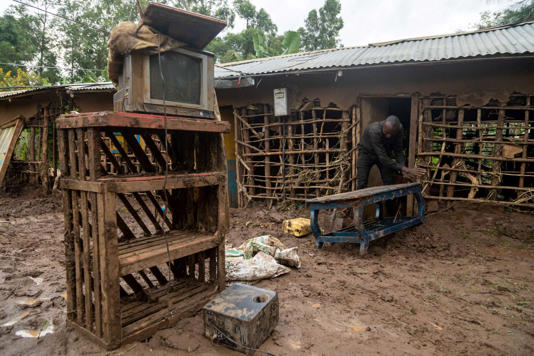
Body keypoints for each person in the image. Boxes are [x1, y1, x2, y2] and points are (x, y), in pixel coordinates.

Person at [357, 115, 425, 189]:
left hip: (384, 153)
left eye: (391, 134)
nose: (388, 136)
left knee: (389, 182)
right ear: (383, 125)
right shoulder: (374, 130)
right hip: (366, 154)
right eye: (386, 132)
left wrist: (402, 169)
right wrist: (405, 169)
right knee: (362, 183)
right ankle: (360, 200)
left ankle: (389, 200)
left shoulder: (399, 129)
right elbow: (383, 158)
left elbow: (398, 151)